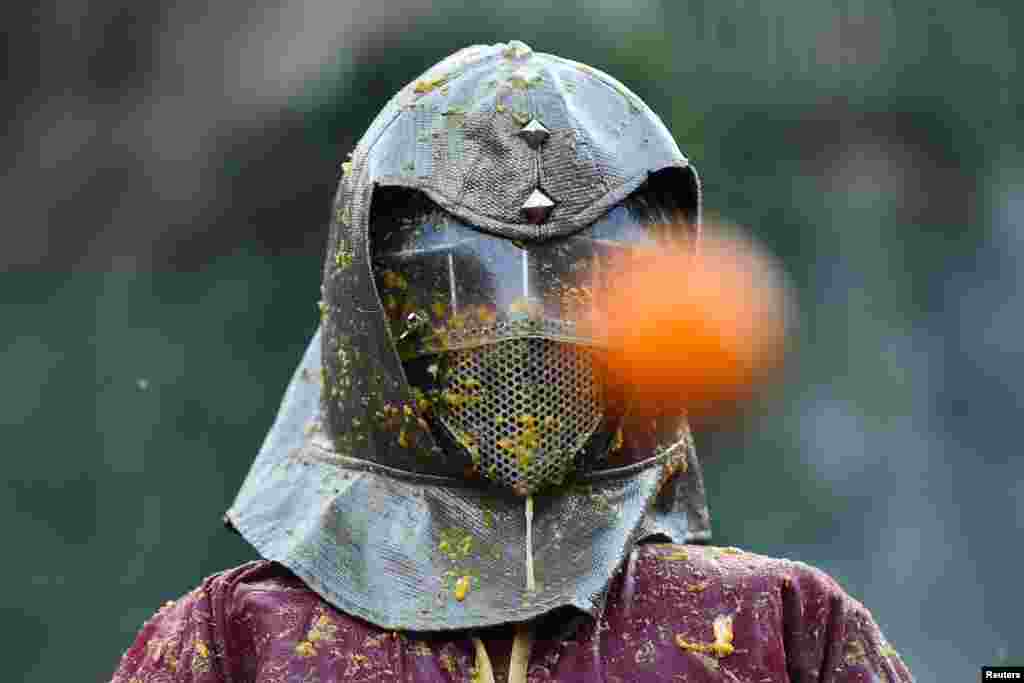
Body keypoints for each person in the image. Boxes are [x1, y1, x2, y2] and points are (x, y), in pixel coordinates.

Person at [109, 41, 914, 683]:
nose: (526, 323)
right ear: (373, 313)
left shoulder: (778, 629)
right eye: (467, 283)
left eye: (572, 278)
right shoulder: (232, 646)